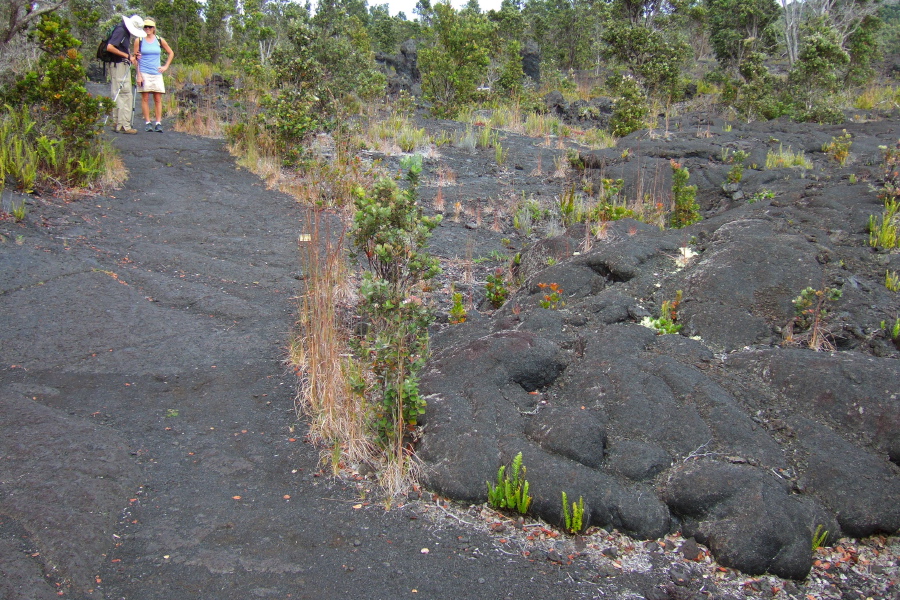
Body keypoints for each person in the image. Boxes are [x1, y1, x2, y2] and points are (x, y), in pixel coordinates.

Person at [106, 15, 146, 134]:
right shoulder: (121, 31)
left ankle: (117, 123)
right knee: (125, 94)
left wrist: (131, 56)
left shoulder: (122, 29)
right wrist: (128, 56)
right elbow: (110, 47)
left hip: (118, 65)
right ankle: (124, 125)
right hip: (119, 66)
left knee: (118, 93)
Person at [134, 19, 174, 133]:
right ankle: (147, 122)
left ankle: (158, 123)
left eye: (150, 27)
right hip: (144, 72)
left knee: (157, 98)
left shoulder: (159, 40)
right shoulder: (139, 40)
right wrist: (139, 75)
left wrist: (165, 66)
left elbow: (171, 52)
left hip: (156, 72)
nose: (148, 29)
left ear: (154, 28)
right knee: (145, 98)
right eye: (146, 27)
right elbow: (135, 58)